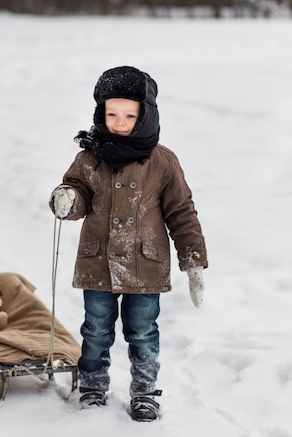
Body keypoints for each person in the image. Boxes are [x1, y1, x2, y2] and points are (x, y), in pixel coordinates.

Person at [49, 66, 208, 422]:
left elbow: (181, 212)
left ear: (146, 115)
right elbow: (78, 193)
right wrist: (67, 199)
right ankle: (92, 384)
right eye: (112, 114)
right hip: (98, 263)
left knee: (143, 331)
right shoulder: (90, 157)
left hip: (145, 265)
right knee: (95, 329)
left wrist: (193, 258)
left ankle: (145, 391)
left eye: (130, 115)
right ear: (100, 113)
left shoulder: (163, 161)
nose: (120, 122)